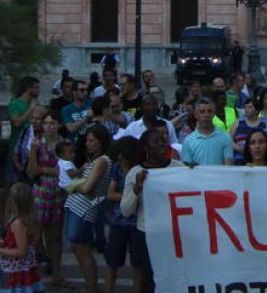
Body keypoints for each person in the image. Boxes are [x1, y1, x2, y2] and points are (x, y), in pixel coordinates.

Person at [121, 128, 185, 293]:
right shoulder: (136, 173)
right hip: (148, 235)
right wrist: (137, 188)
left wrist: (193, 173)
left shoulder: (179, 167)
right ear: (145, 148)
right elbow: (126, 211)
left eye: (163, 141)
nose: (162, 145)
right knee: (152, 279)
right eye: (156, 142)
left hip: (175, 233)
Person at [64, 125, 113, 293]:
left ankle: (92, 287)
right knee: (78, 247)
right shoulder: (93, 160)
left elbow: (87, 188)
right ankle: (89, 285)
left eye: (92, 140)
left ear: (101, 142)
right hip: (76, 206)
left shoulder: (102, 161)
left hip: (84, 209)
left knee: (82, 247)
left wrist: (71, 185)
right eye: (87, 140)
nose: (87, 144)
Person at [26, 111, 67, 287]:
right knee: (36, 234)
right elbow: (31, 172)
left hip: (58, 191)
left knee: (55, 235)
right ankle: (32, 274)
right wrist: (33, 154)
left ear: (58, 125)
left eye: (52, 123)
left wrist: (43, 169)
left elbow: (64, 171)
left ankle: (57, 275)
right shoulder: (36, 144)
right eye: (46, 123)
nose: (48, 127)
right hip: (41, 191)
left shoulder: (65, 144)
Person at [0, 182, 44, 293]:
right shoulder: (25, 220)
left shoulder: (18, 223)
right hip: (20, 268)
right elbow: (16, 241)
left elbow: (21, 251)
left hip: (17, 270)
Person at [103, 137, 139, 293]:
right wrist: (132, 197)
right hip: (118, 222)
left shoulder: (139, 170)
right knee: (112, 264)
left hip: (137, 223)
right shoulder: (116, 169)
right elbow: (110, 194)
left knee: (138, 265)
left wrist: (125, 196)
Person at [6, 77, 41, 185]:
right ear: (28, 88)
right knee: (12, 182)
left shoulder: (35, 103)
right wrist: (30, 109)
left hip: (31, 147)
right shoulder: (15, 103)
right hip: (16, 148)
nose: (38, 90)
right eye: (36, 87)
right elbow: (17, 122)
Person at [181, 98, 232, 166]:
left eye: (209, 111)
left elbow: (228, 167)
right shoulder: (188, 141)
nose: (206, 115)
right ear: (196, 115)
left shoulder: (225, 137)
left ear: (214, 114)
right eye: (202, 112)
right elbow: (186, 168)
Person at [228, 100, 267, 165]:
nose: (246, 109)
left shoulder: (264, 123)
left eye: (249, 107)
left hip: (259, 160)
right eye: (245, 107)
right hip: (239, 159)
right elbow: (228, 139)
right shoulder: (238, 122)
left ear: (257, 110)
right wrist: (238, 148)